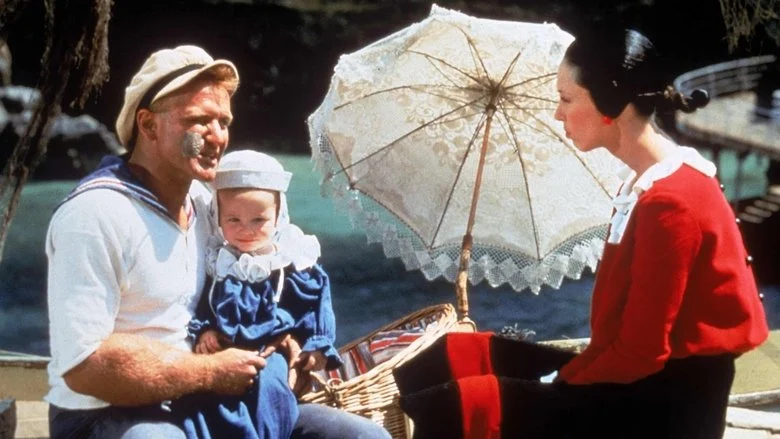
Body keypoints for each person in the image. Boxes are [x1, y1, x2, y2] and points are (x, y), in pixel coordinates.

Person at [392, 27, 769, 439]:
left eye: (566, 99)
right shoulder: (645, 184)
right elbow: (624, 340)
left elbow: (642, 352)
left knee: (455, 405)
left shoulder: (672, 201)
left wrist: (560, 381)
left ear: (610, 103)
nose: (558, 114)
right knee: (456, 354)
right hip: (639, 380)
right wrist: (563, 374)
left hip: (664, 407)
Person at [45, 44, 391, 439]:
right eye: (199, 121)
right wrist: (208, 372)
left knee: (366, 437)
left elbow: (259, 283)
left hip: (215, 402)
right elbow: (83, 365)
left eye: (223, 121)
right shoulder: (95, 214)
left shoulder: (209, 205)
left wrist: (286, 340)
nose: (218, 137)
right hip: (107, 414)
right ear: (148, 125)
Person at [178, 150, 343, 438]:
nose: (246, 230)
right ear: (218, 217)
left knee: (271, 389)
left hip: (271, 349)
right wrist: (205, 330)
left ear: (278, 216)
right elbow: (205, 303)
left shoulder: (289, 262)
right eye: (234, 220)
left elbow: (318, 305)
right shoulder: (219, 263)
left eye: (258, 220)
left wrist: (318, 344)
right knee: (203, 401)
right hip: (226, 349)